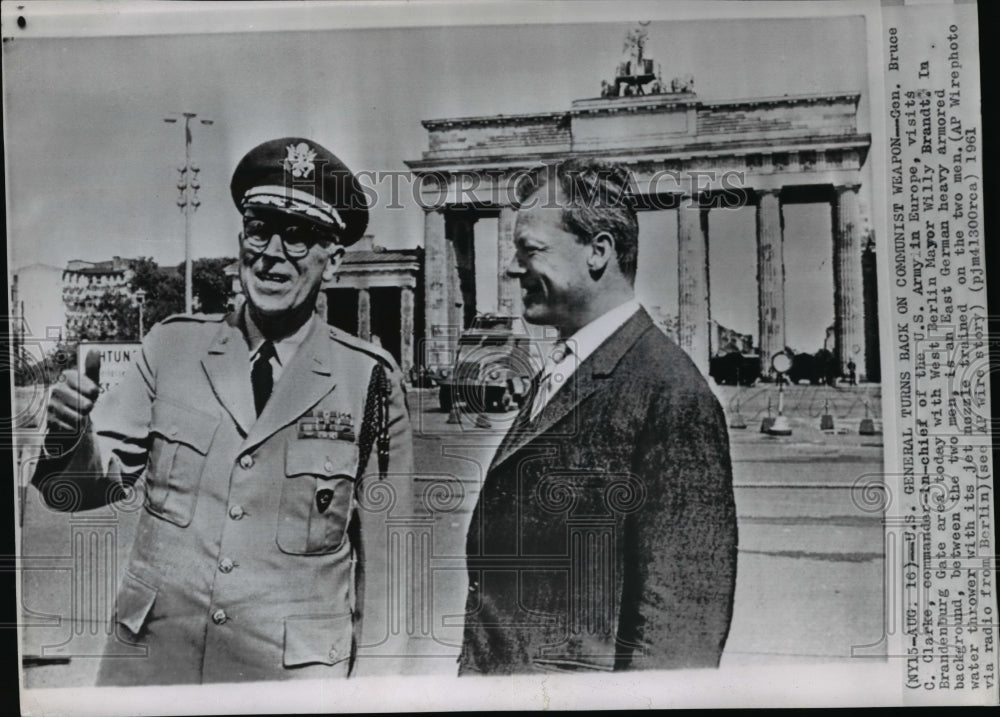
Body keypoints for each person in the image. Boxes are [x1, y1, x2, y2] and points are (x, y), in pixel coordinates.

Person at [32, 137, 414, 685]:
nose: (273, 252)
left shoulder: (369, 380)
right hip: (154, 669)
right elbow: (81, 491)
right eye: (260, 227)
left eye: (300, 236)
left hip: (288, 684)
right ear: (241, 239)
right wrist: (70, 435)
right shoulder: (172, 349)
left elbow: (390, 575)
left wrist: (371, 696)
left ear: (333, 261)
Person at [460, 158, 738, 674]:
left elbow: (678, 636)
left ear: (598, 251)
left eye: (530, 250)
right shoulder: (567, 365)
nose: (513, 267)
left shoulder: (671, 394)